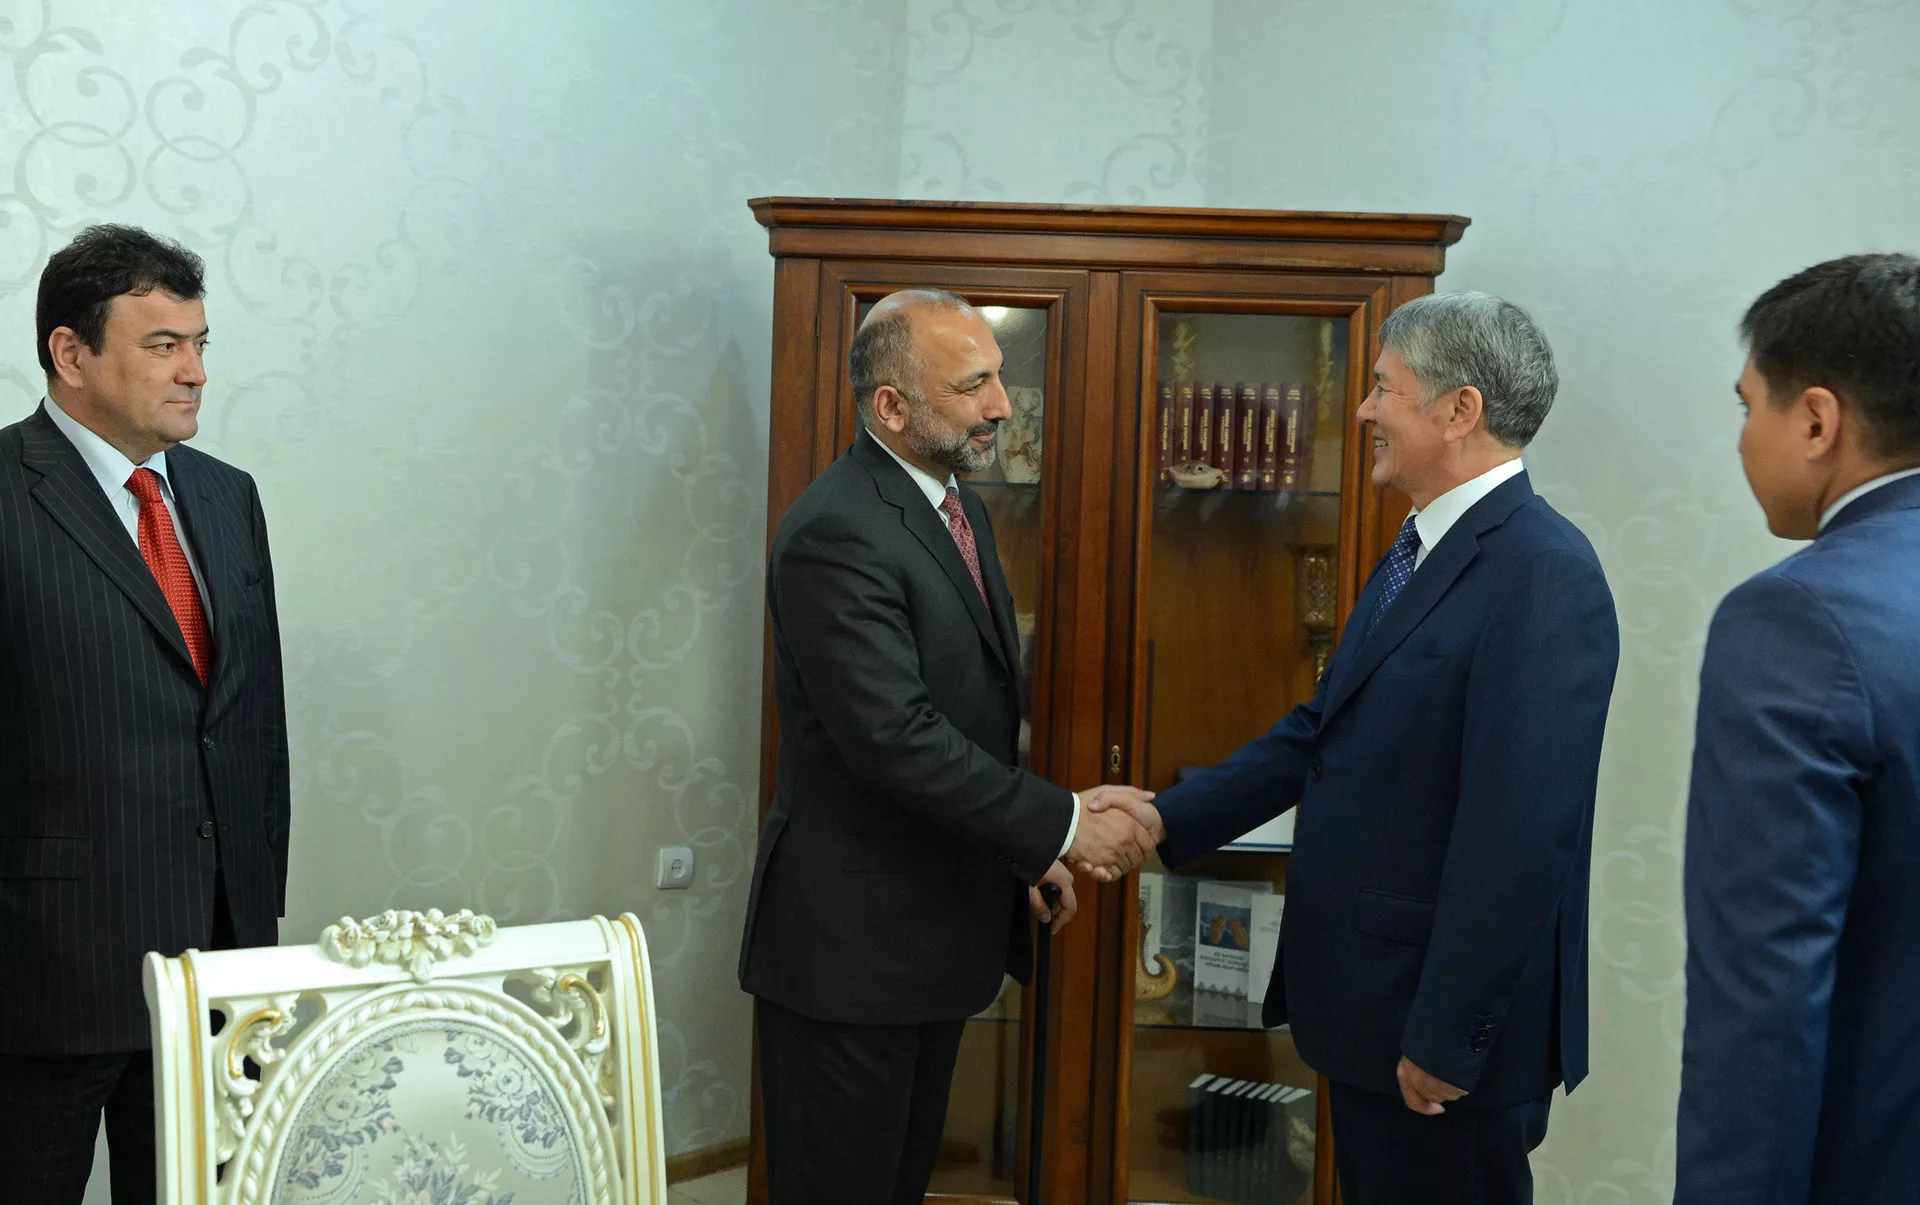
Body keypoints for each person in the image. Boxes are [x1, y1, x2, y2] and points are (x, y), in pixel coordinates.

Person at [1095, 293, 1619, 1204]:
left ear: (1459, 410)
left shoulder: (1544, 573)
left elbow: (1521, 836)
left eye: (1384, 388)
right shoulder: (1422, 545)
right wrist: (1164, 818)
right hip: (1374, 1006)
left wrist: (1449, 1036)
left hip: (1434, 1033)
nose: (1366, 409)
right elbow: (1322, 729)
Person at [738, 288, 1159, 1205]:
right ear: (892, 406)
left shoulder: (952, 507)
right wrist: (1063, 823)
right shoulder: (837, 530)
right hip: (851, 958)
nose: (1003, 405)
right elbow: (897, 737)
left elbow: (971, 717)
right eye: (973, 386)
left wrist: (1017, 853)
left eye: (999, 378)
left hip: (927, 943)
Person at [0, 225, 292, 1203]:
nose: (194, 371)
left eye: (200, 344)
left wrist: (257, 912)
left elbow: (254, 724)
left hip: (214, 964)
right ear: (70, 352)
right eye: (163, 344)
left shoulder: (227, 496)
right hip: (44, 970)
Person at [1675, 254, 1920, 1204]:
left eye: (1748, 407)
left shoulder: (1799, 619)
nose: (1742, 439)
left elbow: (1763, 998)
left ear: (1817, 420)